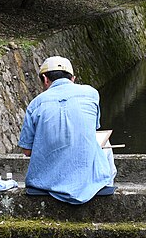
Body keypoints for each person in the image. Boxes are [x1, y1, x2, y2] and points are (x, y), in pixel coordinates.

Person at [18, 55, 116, 203]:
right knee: (105, 144)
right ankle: (106, 184)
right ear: (73, 78)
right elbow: (92, 129)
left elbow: (27, 151)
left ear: (45, 79)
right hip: (89, 183)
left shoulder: (35, 104)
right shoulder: (91, 94)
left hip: (46, 183)